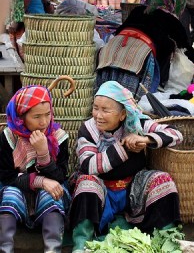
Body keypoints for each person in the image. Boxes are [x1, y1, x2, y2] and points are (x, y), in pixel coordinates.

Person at [69, 81, 183, 253]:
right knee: (86, 182)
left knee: (163, 181)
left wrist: (146, 139)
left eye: (105, 110)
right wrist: (124, 147)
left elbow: (176, 134)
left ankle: (167, 242)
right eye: (95, 108)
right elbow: (88, 165)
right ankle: (82, 245)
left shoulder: (138, 123)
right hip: (102, 193)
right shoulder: (88, 128)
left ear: (122, 115)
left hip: (132, 190)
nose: (98, 115)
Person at [0, 86, 70, 252]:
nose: (44, 122)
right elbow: (6, 176)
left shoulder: (58, 137)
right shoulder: (9, 137)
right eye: (36, 116)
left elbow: (60, 176)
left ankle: (53, 249)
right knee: (11, 194)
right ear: (21, 117)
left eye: (47, 114)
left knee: (52, 194)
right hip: (18, 190)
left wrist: (44, 153)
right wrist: (40, 181)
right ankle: (5, 248)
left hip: (45, 196)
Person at [96, 0, 194, 99]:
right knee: (130, 99)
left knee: (107, 92)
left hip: (113, 47)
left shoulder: (138, 10)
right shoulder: (172, 21)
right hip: (139, 54)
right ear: (176, 4)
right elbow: (187, 50)